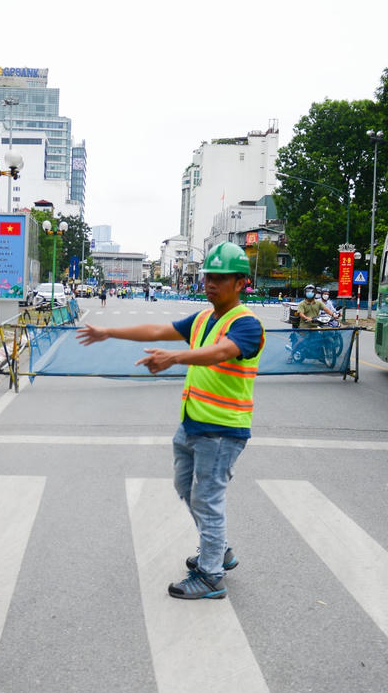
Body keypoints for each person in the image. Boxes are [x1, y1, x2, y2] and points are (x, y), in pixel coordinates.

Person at [76, 242, 264, 600]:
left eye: (221, 278)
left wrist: (175, 358)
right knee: (186, 488)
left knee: (207, 498)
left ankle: (211, 576)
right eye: (208, 277)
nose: (211, 284)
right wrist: (109, 332)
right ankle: (219, 549)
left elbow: (222, 352)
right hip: (193, 423)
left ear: (241, 283)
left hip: (222, 430)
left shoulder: (247, 324)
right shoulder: (204, 319)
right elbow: (156, 331)